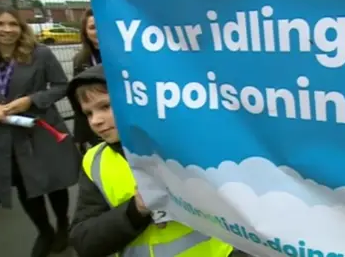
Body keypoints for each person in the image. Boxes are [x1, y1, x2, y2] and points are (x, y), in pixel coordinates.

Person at [67, 64, 249, 257]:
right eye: (88, 113)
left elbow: (243, 210)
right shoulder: (95, 161)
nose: (96, 120)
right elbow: (84, 241)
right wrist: (135, 210)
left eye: (105, 106)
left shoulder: (188, 146)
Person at [0, 4, 80, 257]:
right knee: (24, 186)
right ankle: (44, 231)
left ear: (21, 27)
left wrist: (32, 100)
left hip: (40, 128)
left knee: (54, 181)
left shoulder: (41, 54)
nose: (7, 30)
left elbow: (60, 85)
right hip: (4, 134)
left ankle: (62, 226)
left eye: (13, 24)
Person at [72, 8, 101, 153]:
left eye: (103, 24)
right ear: (85, 32)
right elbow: (80, 100)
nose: (99, 30)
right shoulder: (80, 60)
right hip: (99, 123)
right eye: (93, 27)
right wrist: (80, 136)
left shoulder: (126, 55)